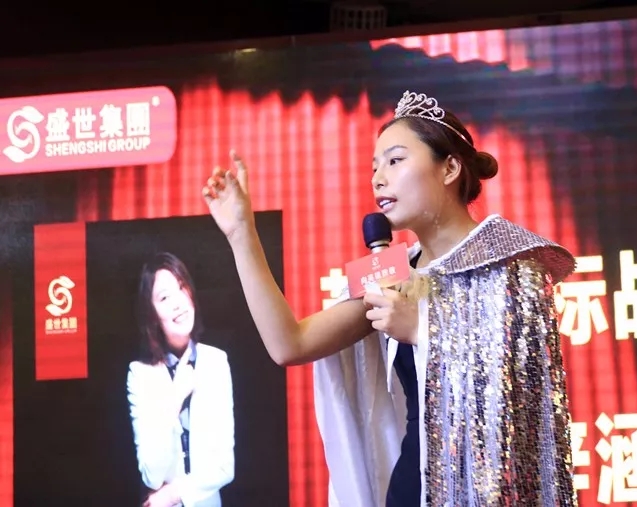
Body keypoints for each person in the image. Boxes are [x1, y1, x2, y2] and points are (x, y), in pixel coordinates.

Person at [201, 90, 577, 506]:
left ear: (450, 168)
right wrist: (242, 234)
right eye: (375, 167)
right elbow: (290, 343)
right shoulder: (395, 271)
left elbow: (523, 402)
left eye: (395, 161)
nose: (378, 178)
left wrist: (424, 329)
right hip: (411, 488)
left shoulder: (512, 266)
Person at [126, 252, 235, 507]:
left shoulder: (215, 362)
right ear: (151, 313)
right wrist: (174, 400)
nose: (178, 303)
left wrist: (173, 493)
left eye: (181, 287)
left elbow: (224, 467)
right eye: (164, 297)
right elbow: (152, 475)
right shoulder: (140, 374)